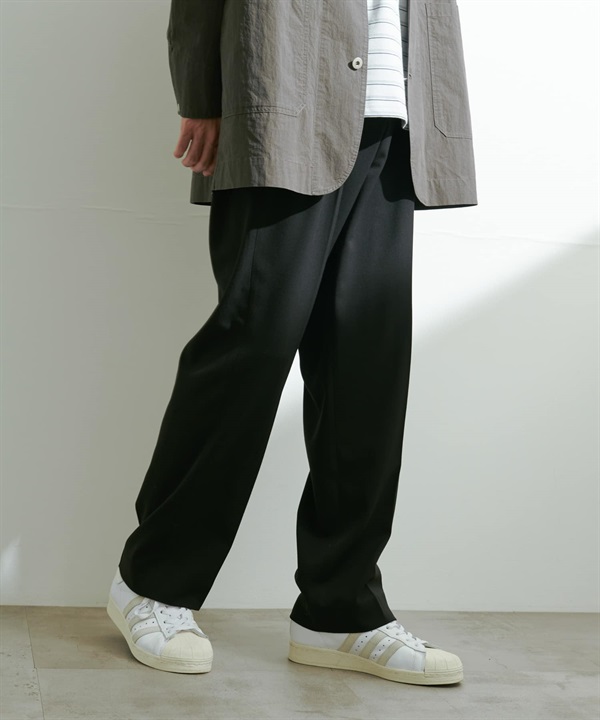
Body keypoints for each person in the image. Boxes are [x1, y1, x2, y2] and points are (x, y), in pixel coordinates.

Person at [107, 0, 477, 686]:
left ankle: (341, 610)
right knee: (252, 345)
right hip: (283, 97)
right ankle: (151, 584)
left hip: (397, 112)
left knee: (366, 370)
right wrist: (202, 94)